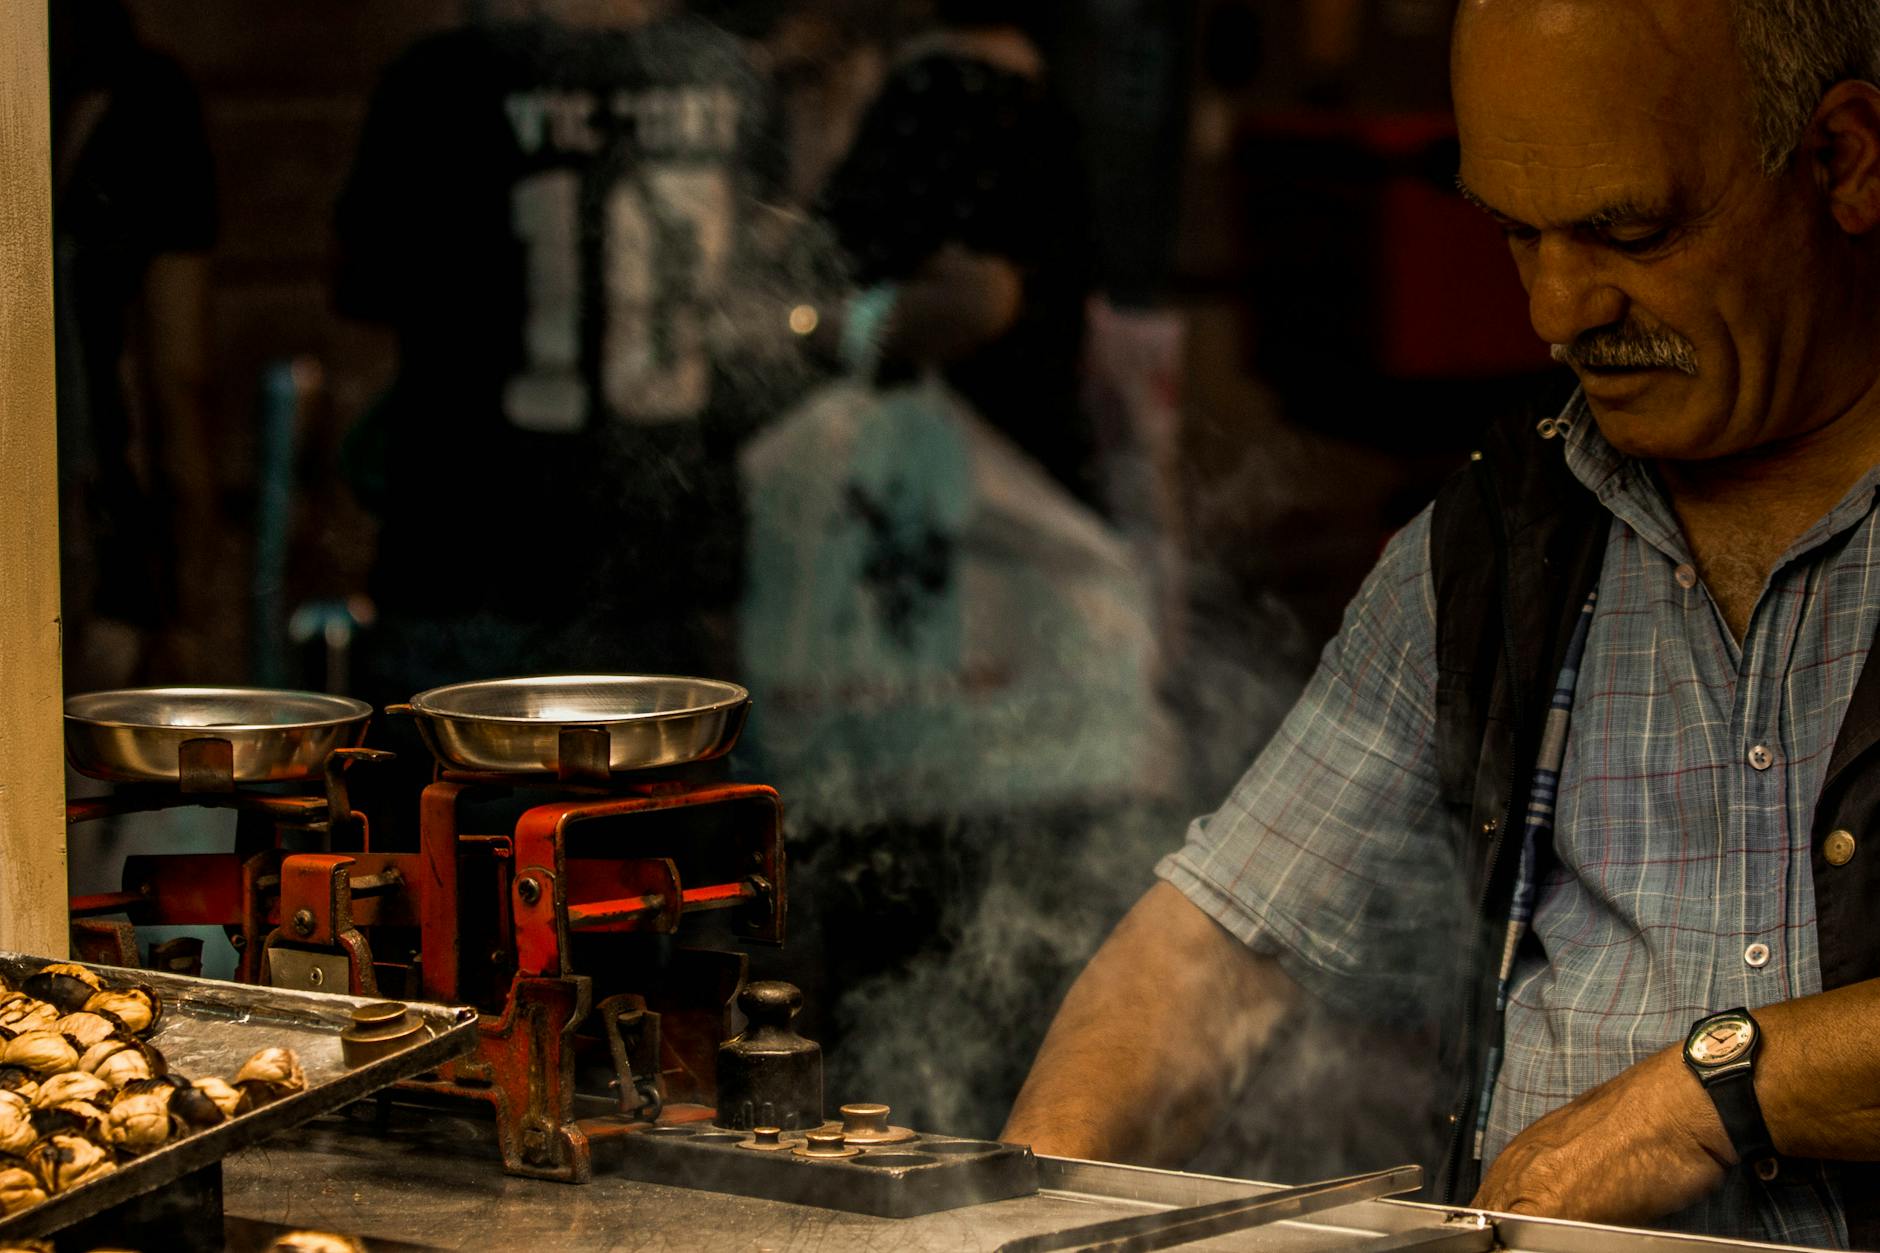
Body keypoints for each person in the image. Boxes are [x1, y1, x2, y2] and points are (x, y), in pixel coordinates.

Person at [1002, 0, 1880, 1246]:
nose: (1556, 309)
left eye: (1625, 229)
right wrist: (1026, 1207)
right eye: (1517, 235)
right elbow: (1215, 948)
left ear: (1843, 159)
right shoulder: (1495, 544)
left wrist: (1703, 1093)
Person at [333, 0, 784, 700]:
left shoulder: (441, 79)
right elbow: (772, 295)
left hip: (472, 561)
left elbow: (365, 296)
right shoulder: (727, 75)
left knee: (458, 808)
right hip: (670, 571)